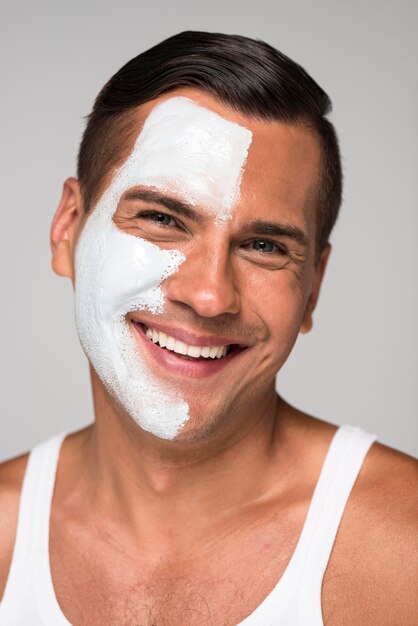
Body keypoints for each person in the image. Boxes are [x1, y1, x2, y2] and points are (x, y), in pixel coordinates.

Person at [0, 30, 417, 626]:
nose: (209, 294)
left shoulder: (404, 553)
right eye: (163, 219)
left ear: (313, 287)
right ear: (68, 226)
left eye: (265, 245)